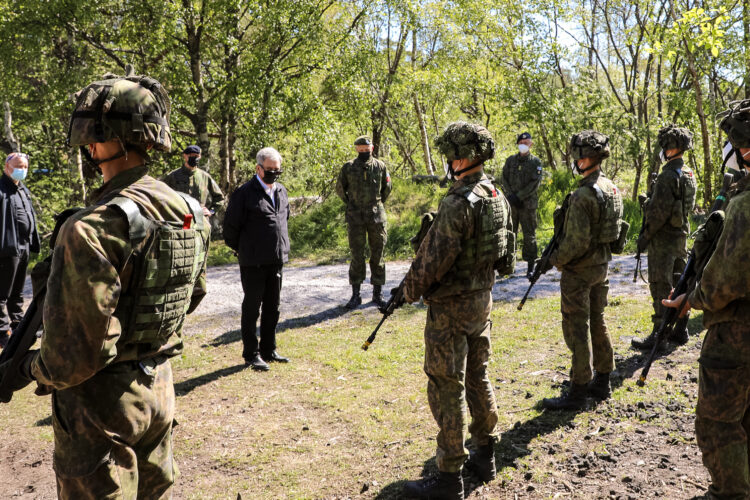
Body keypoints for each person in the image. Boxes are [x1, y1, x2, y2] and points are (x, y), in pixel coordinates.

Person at [0, 72, 210, 497]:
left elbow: (73, 355)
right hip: (158, 391)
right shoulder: (189, 209)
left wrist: (26, 367)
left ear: (99, 140)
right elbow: (194, 294)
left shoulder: (92, 227)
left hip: (99, 411)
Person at [400, 122, 515, 499]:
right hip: (482, 301)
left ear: (462, 158)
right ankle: (486, 455)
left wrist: (407, 292)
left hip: (450, 308)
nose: (449, 162)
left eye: (451, 156)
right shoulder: (497, 194)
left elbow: (432, 261)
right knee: (478, 377)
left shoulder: (457, 202)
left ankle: (450, 475)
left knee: (447, 386)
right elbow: (506, 255)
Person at [663, 99, 750, 499]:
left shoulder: (746, 205)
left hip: (738, 332)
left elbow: (722, 284)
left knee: (718, 422)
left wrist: (690, 299)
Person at [542, 130, 623, 411]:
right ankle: (603, 380)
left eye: (578, 157)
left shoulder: (582, 195)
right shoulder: (611, 188)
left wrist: (555, 260)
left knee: (578, 328)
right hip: (601, 266)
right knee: (598, 321)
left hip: (580, 271)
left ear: (586, 159)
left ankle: (578, 391)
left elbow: (575, 242)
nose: (575, 161)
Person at [223, 147, 290, 371]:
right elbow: (230, 228)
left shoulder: (281, 191)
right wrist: (243, 249)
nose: (273, 173)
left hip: (276, 259)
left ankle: (268, 349)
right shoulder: (244, 193)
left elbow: (283, 220)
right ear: (258, 168)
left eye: (277, 170)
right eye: (269, 169)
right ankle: (251, 353)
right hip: (253, 261)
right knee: (252, 308)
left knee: (273, 306)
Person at [631, 125, 696, 350]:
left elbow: (658, 214)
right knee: (680, 281)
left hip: (664, 240)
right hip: (681, 237)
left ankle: (659, 334)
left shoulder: (668, 175)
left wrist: (645, 236)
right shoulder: (688, 173)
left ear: (669, 148)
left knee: (661, 284)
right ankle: (680, 330)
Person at [335, 136, 392, 309]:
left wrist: (377, 204)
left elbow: (387, 188)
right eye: (360, 148)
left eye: (366, 148)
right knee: (357, 255)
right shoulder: (348, 167)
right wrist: (352, 203)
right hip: (355, 217)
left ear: (372, 148)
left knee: (378, 255)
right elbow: (340, 188)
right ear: (356, 149)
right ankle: (356, 295)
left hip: (376, 217)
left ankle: (378, 294)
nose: (363, 151)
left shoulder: (380, 166)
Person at [0, 152, 40, 347]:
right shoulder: (1, 190)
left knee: (17, 292)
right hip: (6, 249)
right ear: (7, 167)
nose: (22, 170)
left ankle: (18, 327)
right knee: (2, 293)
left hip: (23, 247)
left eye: (25, 167)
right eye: (18, 166)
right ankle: (2, 334)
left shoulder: (22, 189)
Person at [501, 132, 542, 279]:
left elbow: (535, 183)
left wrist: (519, 196)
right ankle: (507, 266)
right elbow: (503, 178)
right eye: (522, 142)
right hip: (512, 204)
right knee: (509, 234)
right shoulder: (510, 161)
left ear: (531, 144)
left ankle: (530, 266)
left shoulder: (535, 162)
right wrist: (510, 195)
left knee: (529, 235)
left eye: (527, 142)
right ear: (518, 144)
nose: (524, 144)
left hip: (528, 205)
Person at [162, 144, 225, 219]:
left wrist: (211, 211)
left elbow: (219, 198)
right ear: (184, 156)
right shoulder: (172, 176)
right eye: (191, 156)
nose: (195, 158)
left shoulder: (205, 177)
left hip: (200, 221)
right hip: (179, 219)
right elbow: (161, 196)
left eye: (197, 156)